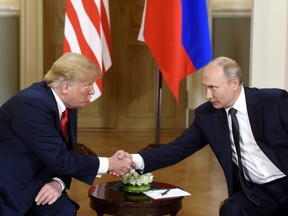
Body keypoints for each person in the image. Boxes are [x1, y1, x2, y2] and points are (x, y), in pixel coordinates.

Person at [130, 56, 288, 216]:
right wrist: (134, 161)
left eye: (213, 88)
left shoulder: (274, 101)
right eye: (205, 87)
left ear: (234, 83)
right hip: (257, 192)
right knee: (231, 209)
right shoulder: (206, 116)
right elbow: (178, 148)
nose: (207, 95)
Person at [0, 52, 133, 216]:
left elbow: (66, 152)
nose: (92, 91)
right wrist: (110, 164)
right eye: (88, 85)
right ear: (65, 87)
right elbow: (61, 160)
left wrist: (58, 183)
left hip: (40, 180)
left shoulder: (67, 104)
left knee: (65, 210)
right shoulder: (32, 105)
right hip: (9, 189)